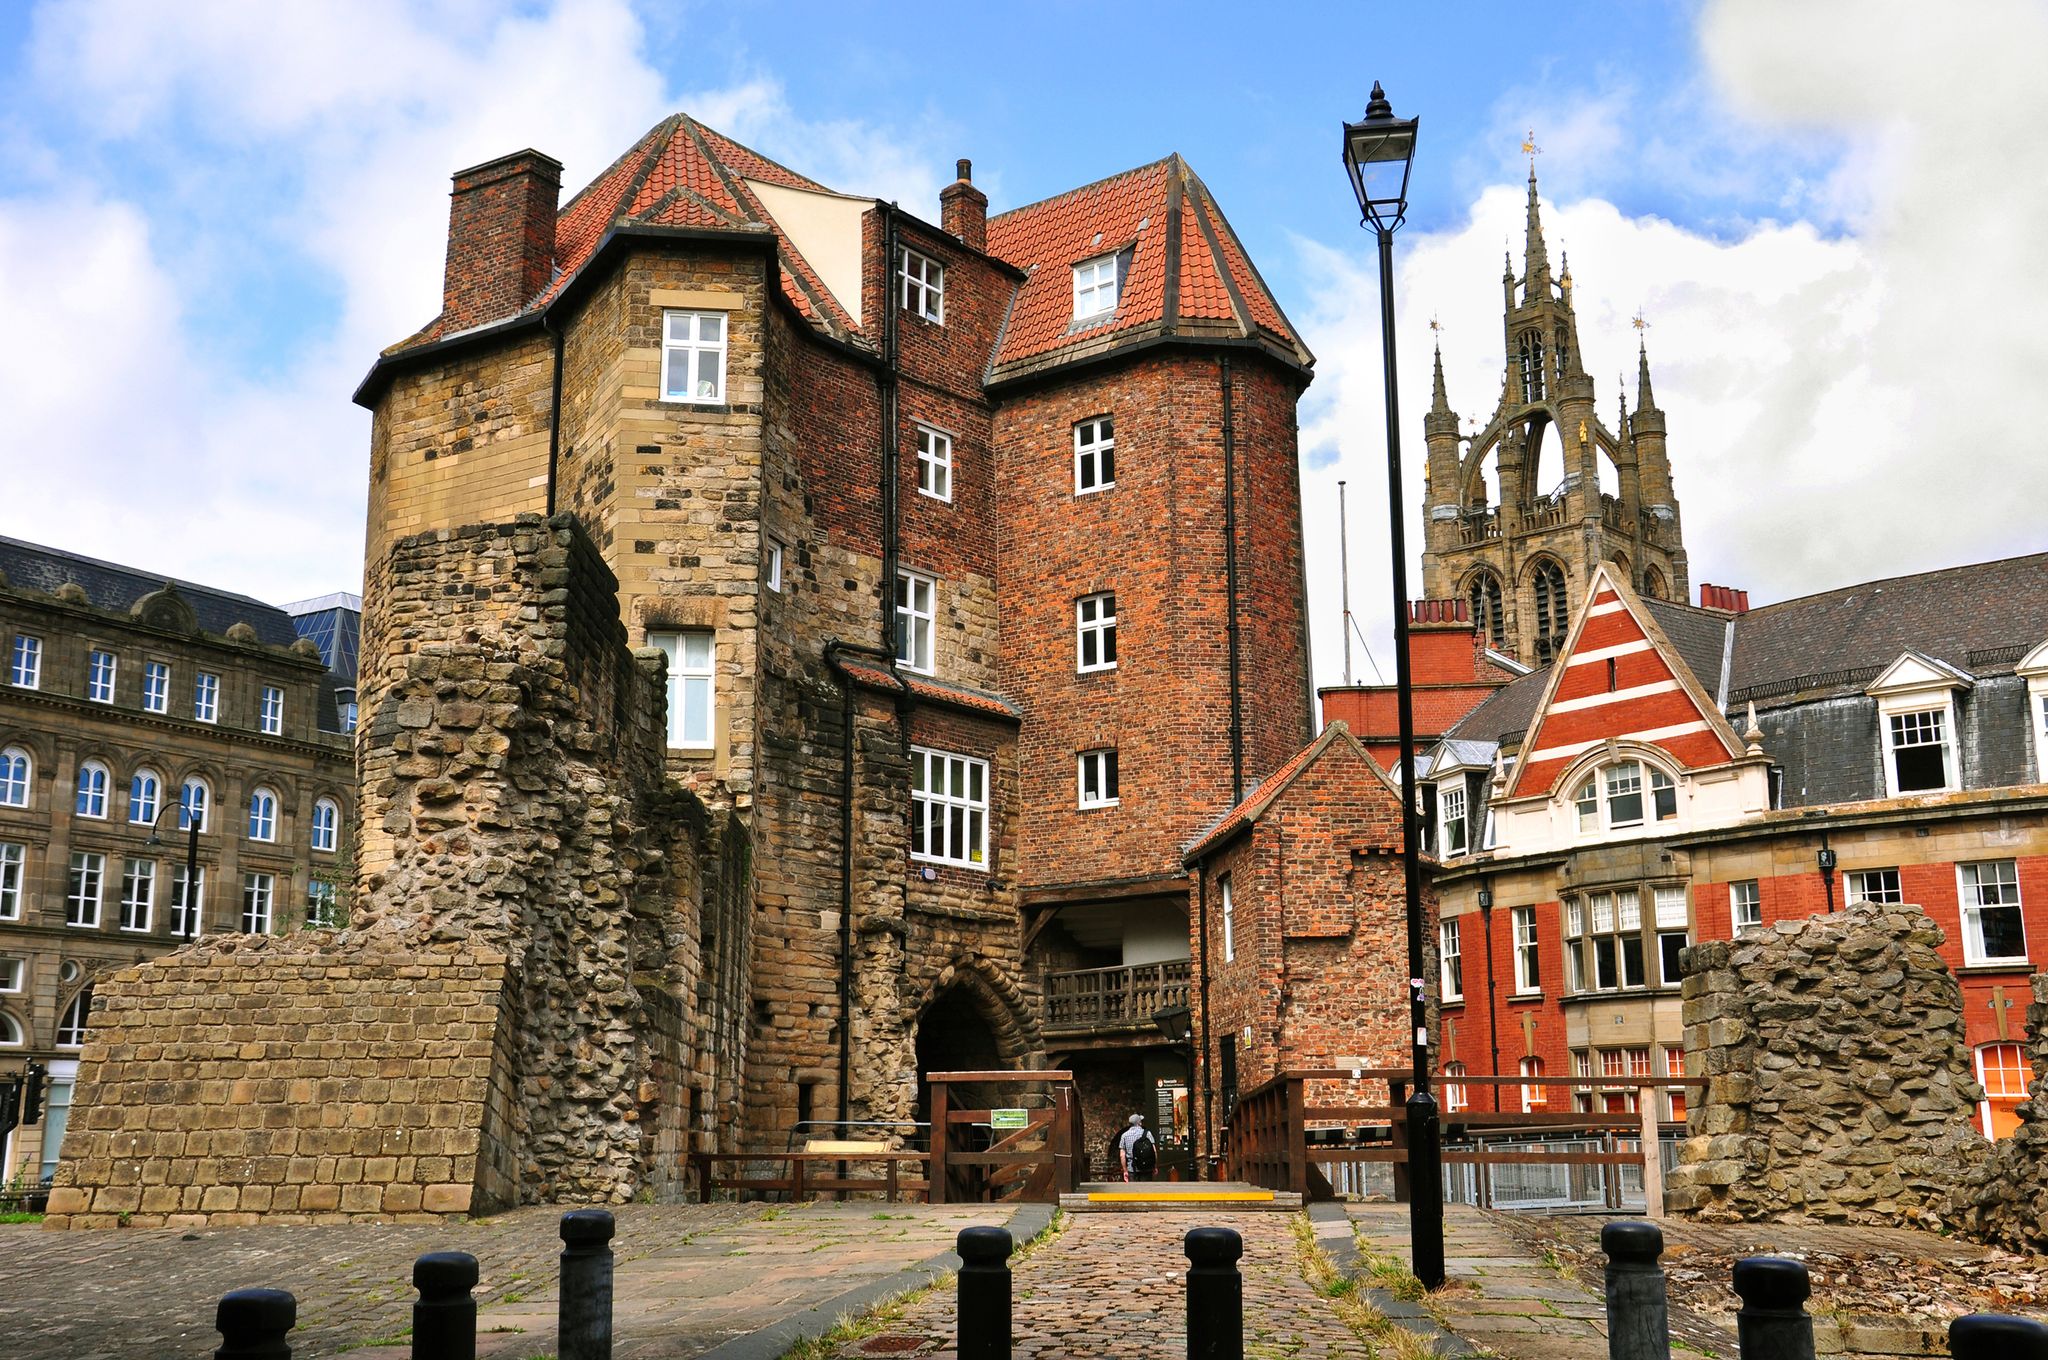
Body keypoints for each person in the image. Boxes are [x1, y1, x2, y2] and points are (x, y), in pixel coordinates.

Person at [1117, 1113, 1157, 1182]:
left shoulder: (1124, 1135)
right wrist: (1154, 1166)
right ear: (1139, 1123)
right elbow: (1154, 1151)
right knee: (1146, 1191)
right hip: (1146, 1168)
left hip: (1132, 1169)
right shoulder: (1147, 1133)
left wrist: (1125, 1170)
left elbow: (1122, 1155)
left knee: (1133, 1192)